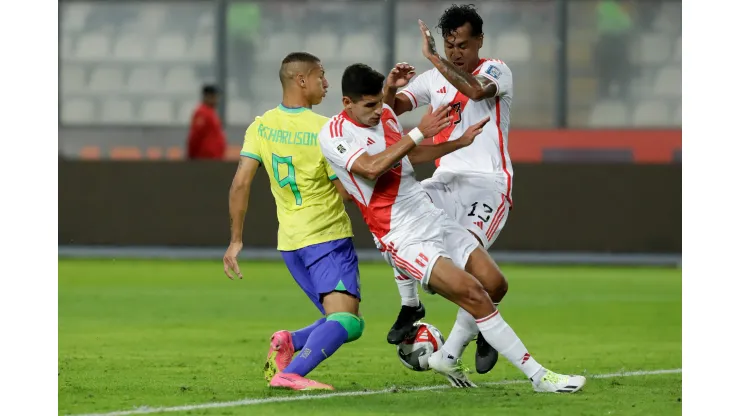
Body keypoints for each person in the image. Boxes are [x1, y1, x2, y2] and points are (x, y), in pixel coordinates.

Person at [319, 63, 586, 392]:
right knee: (474, 293)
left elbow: (409, 155)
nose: (379, 111)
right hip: (401, 234)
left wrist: (457, 143)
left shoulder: (385, 115)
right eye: (369, 105)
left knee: (494, 284)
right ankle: (539, 376)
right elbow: (371, 168)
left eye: (379, 103)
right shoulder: (332, 134)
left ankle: (447, 354)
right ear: (347, 103)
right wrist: (420, 130)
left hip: (428, 213)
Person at [382, 5, 517, 377]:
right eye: (449, 45)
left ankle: (471, 336)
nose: (456, 51)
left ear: (479, 41)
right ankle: (411, 305)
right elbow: (389, 110)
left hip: (488, 185)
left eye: (462, 44)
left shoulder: (496, 70)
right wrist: (390, 88)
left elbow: (474, 92)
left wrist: (434, 57)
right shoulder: (431, 79)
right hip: (445, 178)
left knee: (472, 272)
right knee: (396, 218)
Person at [223, 52, 363, 391]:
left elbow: (240, 183)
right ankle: (291, 372)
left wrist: (236, 239)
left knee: (339, 318)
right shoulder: (324, 129)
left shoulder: (261, 126)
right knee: (348, 321)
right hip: (326, 237)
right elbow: (345, 192)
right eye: (321, 76)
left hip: (290, 243)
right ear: (301, 80)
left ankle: (287, 342)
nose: (326, 84)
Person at [187, 85, 226, 160]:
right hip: (204, 159)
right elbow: (195, 136)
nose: (217, 100)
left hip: (214, 158)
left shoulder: (211, 112)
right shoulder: (202, 113)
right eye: (215, 96)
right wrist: (191, 157)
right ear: (208, 96)